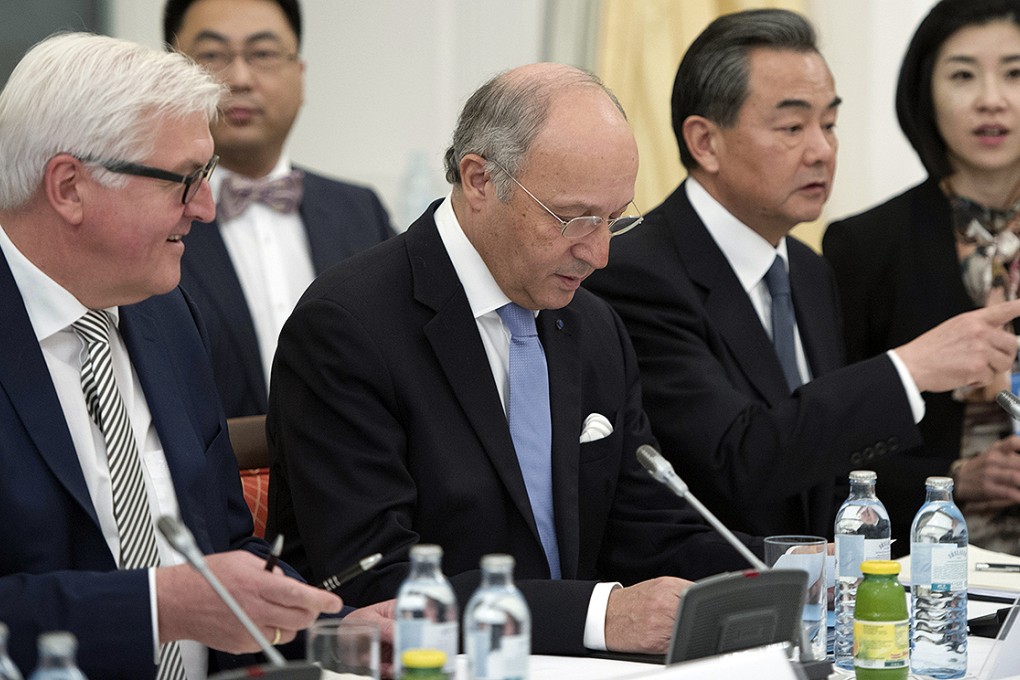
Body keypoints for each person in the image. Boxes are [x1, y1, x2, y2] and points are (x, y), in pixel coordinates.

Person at [267, 62, 759, 657]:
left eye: (615, 219)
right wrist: (599, 615)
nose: (599, 253)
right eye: (573, 218)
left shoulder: (593, 325)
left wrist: (780, 568)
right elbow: (374, 585)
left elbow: (642, 524)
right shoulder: (347, 326)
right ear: (478, 180)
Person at [583, 8, 1020, 550]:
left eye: (829, 124)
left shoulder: (808, 272)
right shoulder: (634, 270)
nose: (822, 150)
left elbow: (827, 467)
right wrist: (911, 368)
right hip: (706, 604)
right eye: (793, 127)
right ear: (705, 143)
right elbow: (734, 459)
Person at [0, 32, 360, 678]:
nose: (207, 206)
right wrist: (155, 607)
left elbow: (223, 543)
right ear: (69, 187)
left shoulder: (165, 312)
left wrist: (325, 625)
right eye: (185, 180)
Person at [825, 0, 1020, 556]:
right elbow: (831, 438)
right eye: (963, 75)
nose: (991, 99)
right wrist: (956, 476)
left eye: (1015, 73)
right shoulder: (864, 245)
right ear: (924, 92)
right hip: (925, 568)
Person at [163, 0, 394, 418]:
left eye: (263, 54)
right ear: (168, 75)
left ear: (300, 76)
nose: (239, 78)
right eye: (212, 56)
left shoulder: (361, 211)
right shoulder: (148, 218)